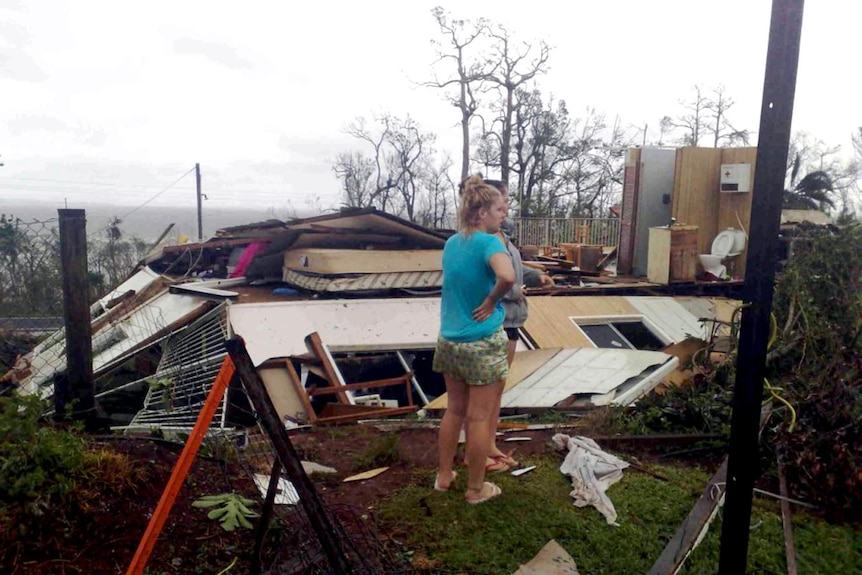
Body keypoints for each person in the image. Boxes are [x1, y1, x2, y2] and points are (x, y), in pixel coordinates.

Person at [433, 174, 515, 504]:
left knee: (454, 411)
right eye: (498, 209)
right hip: (481, 342)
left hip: (449, 340)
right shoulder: (490, 242)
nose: (503, 214)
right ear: (481, 213)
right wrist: (494, 299)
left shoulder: (452, 243)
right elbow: (507, 276)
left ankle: (443, 476)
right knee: (480, 417)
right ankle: (475, 489)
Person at [483, 179, 555, 471]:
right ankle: (482, 453)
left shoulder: (502, 236)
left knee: (496, 390)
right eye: (503, 202)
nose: (507, 208)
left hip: (510, 320)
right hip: (499, 320)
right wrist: (515, 291)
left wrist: (536, 277)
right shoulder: (489, 241)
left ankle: (488, 445)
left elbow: (514, 269)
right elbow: (502, 279)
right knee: (489, 391)